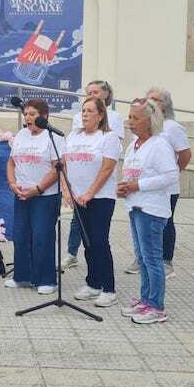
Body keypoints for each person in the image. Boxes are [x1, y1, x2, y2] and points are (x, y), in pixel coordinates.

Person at [118, 99, 179, 324]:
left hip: (152, 209)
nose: (130, 121)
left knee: (152, 258)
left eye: (135, 118)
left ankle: (157, 306)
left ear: (150, 121)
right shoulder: (134, 143)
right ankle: (145, 299)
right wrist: (124, 186)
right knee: (142, 258)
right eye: (130, 116)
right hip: (135, 206)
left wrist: (137, 186)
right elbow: (132, 173)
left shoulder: (159, 144)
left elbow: (170, 176)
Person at [63, 96, 121, 308]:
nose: (84, 114)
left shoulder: (108, 137)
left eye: (89, 111)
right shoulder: (73, 136)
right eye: (82, 110)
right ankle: (93, 282)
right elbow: (63, 164)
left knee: (99, 241)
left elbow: (107, 168)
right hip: (78, 198)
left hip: (100, 198)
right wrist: (67, 190)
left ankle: (109, 288)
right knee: (87, 243)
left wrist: (90, 193)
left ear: (100, 115)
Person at [4, 99, 62, 295]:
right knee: (20, 236)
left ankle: (46, 279)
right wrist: (13, 184)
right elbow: (11, 162)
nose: (27, 117)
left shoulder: (52, 137)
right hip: (21, 194)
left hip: (44, 196)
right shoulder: (21, 134)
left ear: (44, 117)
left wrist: (37, 189)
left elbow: (57, 170)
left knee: (42, 237)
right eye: (26, 113)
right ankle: (22, 276)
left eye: (32, 114)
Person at [139, 87, 191, 279]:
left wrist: (172, 172)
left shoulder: (172, 127)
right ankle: (143, 257)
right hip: (146, 185)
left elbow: (185, 155)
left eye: (155, 99)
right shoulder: (146, 124)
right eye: (148, 98)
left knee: (165, 222)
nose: (150, 102)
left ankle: (166, 261)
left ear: (165, 105)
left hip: (167, 188)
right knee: (143, 222)